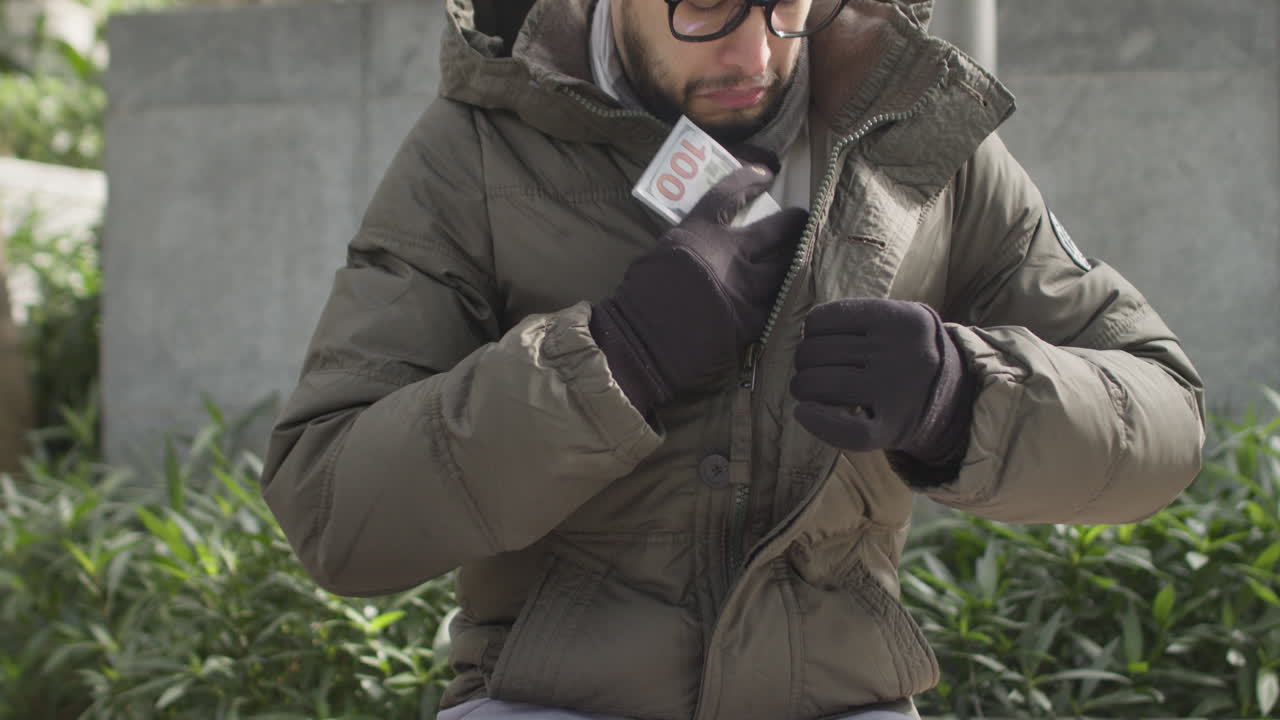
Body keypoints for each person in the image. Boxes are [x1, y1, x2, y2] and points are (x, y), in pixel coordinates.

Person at [259, 0, 1206, 718]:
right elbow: (331, 507)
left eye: (785, 3)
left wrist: (962, 399)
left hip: (845, 699)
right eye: (705, 3)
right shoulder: (478, 150)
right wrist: (613, 363)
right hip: (550, 699)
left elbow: (1165, 414)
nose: (757, 55)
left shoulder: (913, 132)